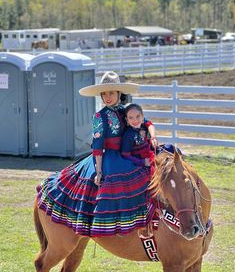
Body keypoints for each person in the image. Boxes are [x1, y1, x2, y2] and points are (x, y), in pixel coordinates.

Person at [36, 71, 156, 237]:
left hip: (128, 151)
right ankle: (122, 224)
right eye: (104, 93)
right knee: (123, 179)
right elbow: (98, 146)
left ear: (119, 93)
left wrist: (151, 136)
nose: (107, 97)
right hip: (109, 156)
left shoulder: (126, 110)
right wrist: (98, 171)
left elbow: (142, 121)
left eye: (111, 93)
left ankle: (148, 218)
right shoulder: (99, 117)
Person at [121, 103, 158, 178]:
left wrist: (153, 137)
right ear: (127, 120)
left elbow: (150, 124)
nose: (135, 120)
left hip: (150, 154)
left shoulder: (143, 126)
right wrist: (142, 162)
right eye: (131, 118)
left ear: (142, 116)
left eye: (138, 116)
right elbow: (125, 155)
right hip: (139, 161)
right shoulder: (128, 135)